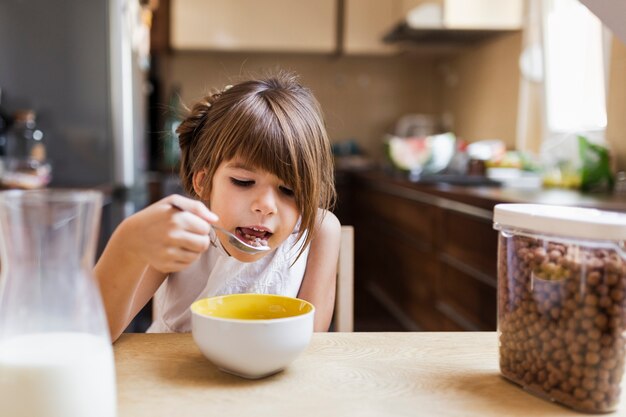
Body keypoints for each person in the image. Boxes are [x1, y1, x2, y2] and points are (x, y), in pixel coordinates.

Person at [95, 72, 341, 342]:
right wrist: (128, 243)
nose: (265, 206)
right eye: (243, 182)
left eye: (289, 190)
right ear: (204, 182)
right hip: (173, 373)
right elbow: (94, 331)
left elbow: (311, 344)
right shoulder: (181, 230)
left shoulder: (319, 231)